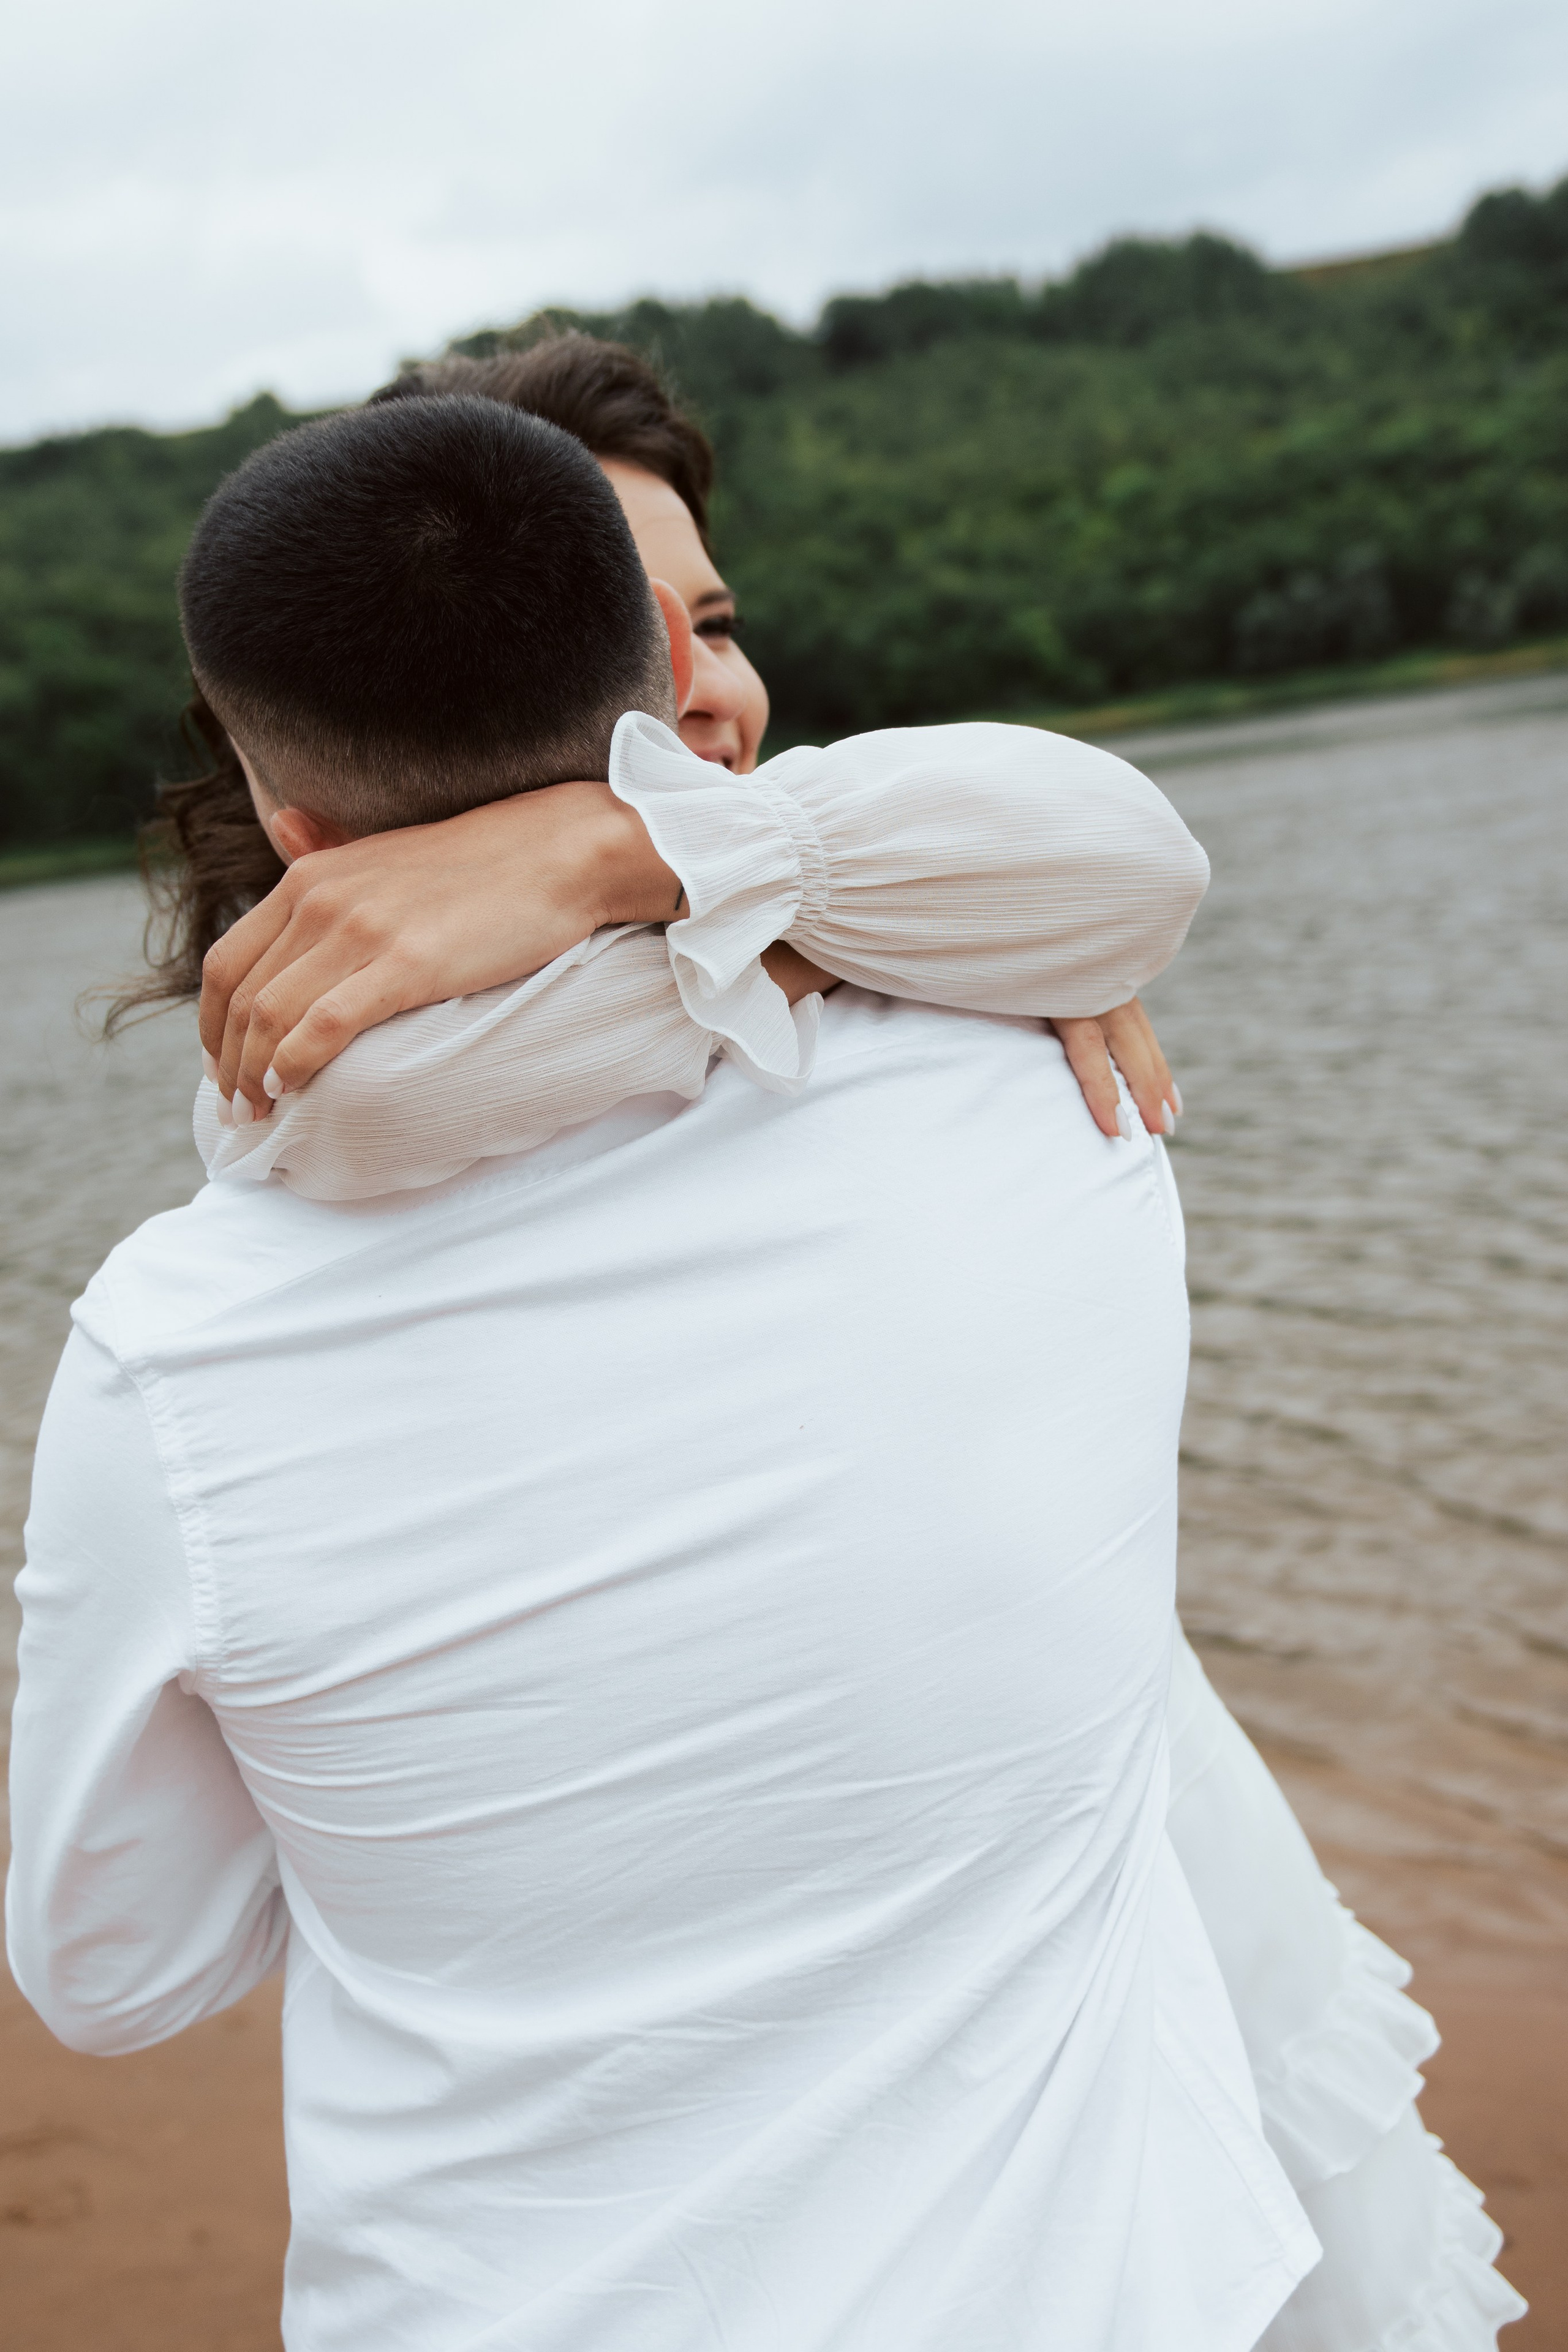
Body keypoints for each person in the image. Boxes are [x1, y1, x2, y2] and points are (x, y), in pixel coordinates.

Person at [181, 341, 1526, 2350]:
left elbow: (1120, 855)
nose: (712, 691)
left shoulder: (897, 912)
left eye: (718, 622)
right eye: (632, 641)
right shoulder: (326, 1149)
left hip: (1093, 1892)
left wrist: (662, 863)